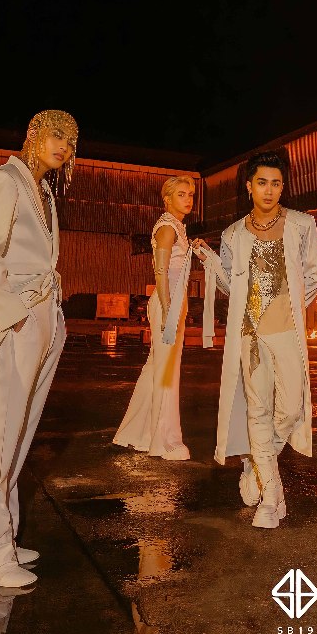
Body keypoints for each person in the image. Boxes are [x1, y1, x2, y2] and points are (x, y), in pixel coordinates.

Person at [0, 109, 78, 589]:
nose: (63, 146)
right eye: (56, 135)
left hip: (43, 318)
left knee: (20, 431)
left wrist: (51, 316)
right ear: (33, 135)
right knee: (0, 432)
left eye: (71, 141)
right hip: (15, 321)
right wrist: (15, 314)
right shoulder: (3, 182)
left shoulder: (43, 191)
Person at [193, 151, 317, 529]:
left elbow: (313, 276)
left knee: (292, 408)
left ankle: (256, 461)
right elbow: (231, 286)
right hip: (249, 335)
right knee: (258, 411)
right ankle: (270, 496)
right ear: (249, 186)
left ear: (283, 187)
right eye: (262, 183)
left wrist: (290, 309)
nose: (269, 190)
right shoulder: (233, 234)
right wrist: (210, 261)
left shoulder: (302, 225)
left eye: (276, 183)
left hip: (287, 332)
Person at [113, 176, 198, 460]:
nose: (188, 199)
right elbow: (160, 272)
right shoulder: (167, 228)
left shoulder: (178, 227)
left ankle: (136, 433)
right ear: (167, 199)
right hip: (167, 303)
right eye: (182, 194)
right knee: (165, 372)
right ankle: (163, 441)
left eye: (190, 194)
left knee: (157, 369)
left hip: (174, 302)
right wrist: (168, 308)